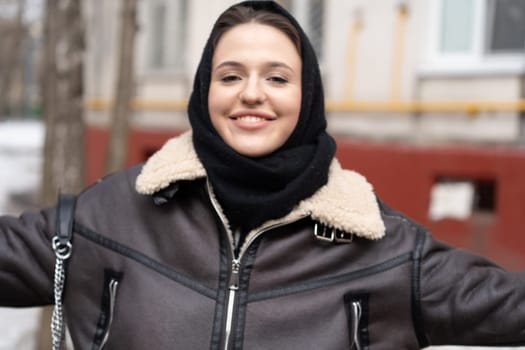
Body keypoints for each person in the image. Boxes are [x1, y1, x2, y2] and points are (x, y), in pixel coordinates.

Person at [1, 1, 525, 349]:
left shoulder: (386, 250)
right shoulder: (112, 213)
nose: (252, 93)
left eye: (277, 77)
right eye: (231, 76)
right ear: (206, 91)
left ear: (308, 96)